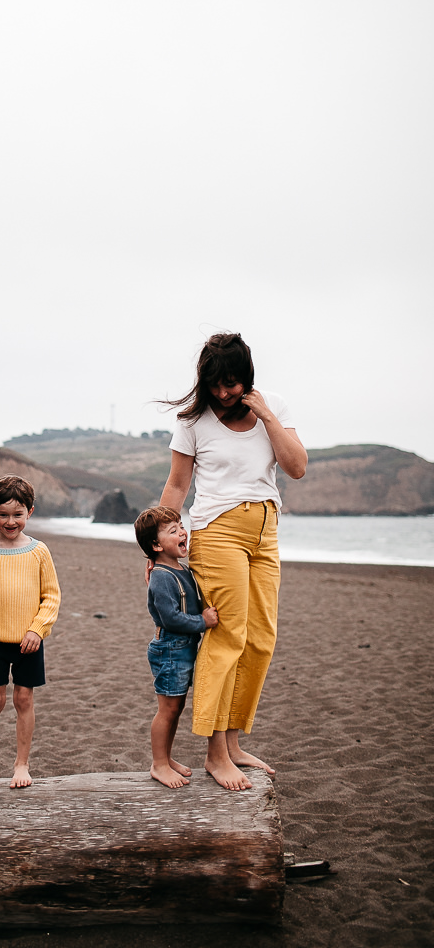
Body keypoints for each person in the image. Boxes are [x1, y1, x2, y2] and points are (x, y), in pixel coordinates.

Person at [158, 333, 307, 791]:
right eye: (215, 384)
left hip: (265, 531)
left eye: (233, 383)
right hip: (217, 532)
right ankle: (215, 753)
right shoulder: (193, 421)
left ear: (248, 377)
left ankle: (235, 741)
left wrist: (265, 415)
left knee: (261, 640)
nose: (224, 393)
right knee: (227, 638)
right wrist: (157, 548)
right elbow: (178, 488)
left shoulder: (273, 406)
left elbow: (297, 467)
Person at [0, 475, 61, 789]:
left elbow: (52, 596)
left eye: (18, 514)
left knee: (23, 700)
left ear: (30, 512)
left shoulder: (39, 551)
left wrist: (38, 629)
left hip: (30, 642)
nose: (10, 521)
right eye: (3, 514)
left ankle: (21, 764)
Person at [135, 505, 219, 788]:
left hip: (183, 648)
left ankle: (166, 758)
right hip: (170, 648)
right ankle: (158, 764)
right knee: (167, 709)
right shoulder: (160, 576)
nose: (183, 532)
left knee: (176, 706)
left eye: (181, 526)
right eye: (174, 531)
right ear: (156, 545)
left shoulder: (180, 569)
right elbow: (171, 618)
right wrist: (202, 621)